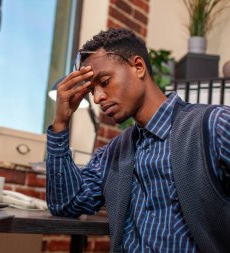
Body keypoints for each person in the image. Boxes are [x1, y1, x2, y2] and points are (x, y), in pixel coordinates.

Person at [46, 28, 230, 253]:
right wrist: (61, 123)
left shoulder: (214, 125)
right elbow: (66, 204)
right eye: (91, 90)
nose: (97, 97)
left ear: (138, 67)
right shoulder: (112, 154)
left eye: (104, 81)